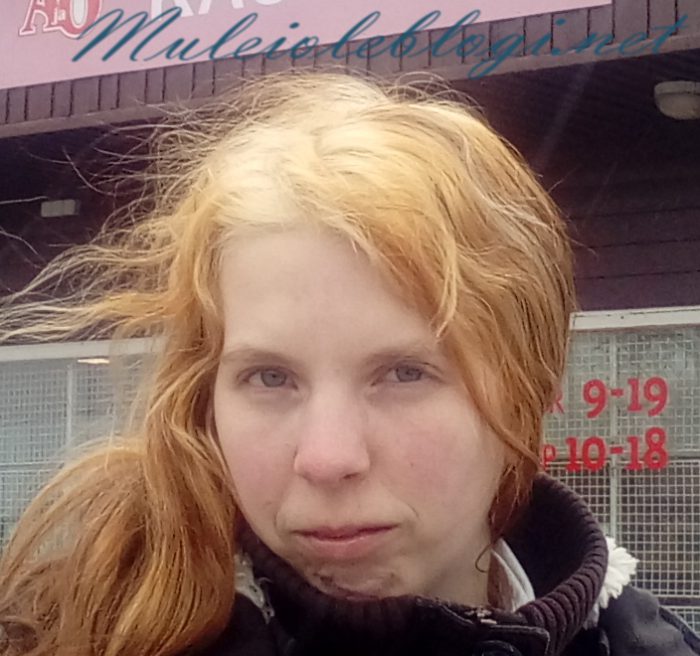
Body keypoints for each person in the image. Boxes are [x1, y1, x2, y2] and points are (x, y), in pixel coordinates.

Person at [0, 71, 698, 656]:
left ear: (529, 385)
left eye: (405, 373)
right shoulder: (74, 631)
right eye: (270, 377)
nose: (327, 458)